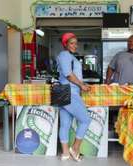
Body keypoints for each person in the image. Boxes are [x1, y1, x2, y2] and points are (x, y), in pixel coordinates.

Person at [56, 32, 91, 161]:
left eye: (76, 43)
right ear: (65, 44)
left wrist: (82, 83)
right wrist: (81, 86)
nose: (75, 46)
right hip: (69, 92)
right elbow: (68, 74)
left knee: (65, 124)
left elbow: (72, 75)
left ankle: (65, 153)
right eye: (71, 43)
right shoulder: (65, 55)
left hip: (63, 91)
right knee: (85, 120)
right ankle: (75, 148)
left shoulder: (69, 56)